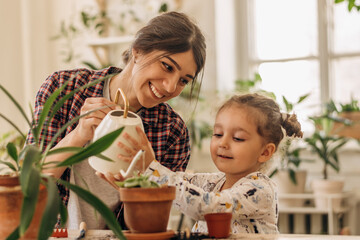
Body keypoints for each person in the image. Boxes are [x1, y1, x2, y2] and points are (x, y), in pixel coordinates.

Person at [25, 11, 206, 229]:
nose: (170, 87)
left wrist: (147, 174)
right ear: (137, 51)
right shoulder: (63, 88)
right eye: (167, 67)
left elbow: (151, 227)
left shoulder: (172, 131)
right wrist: (78, 135)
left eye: (183, 80)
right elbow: (28, 186)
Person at [117, 93, 303, 234]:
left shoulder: (260, 190)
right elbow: (177, 182)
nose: (223, 143)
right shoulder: (213, 182)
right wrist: (134, 177)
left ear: (265, 152)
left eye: (238, 138)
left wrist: (151, 168)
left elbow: (207, 207)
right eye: (218, 134)